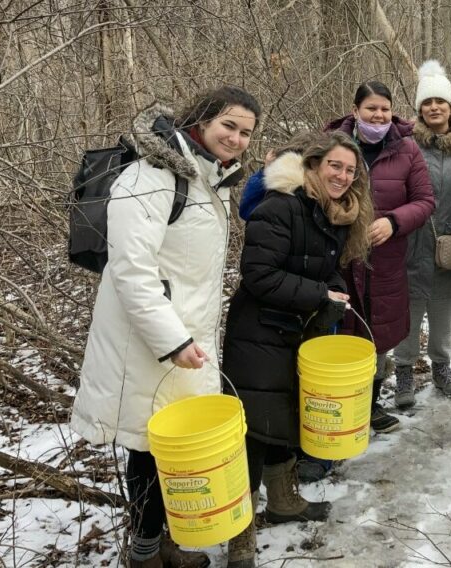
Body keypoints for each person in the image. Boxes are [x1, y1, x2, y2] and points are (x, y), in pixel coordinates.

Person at [69, 86, 261, 568]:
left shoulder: (207, 177)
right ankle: (146, 553)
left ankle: (162, 544)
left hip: (185, 337)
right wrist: (172, 341)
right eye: (228, 126)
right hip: (148, 342)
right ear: (200, 121)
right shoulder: (151, 176)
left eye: (245, 132)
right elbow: (130, 271)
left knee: (167, 446)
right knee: (148, 443)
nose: (236, 139)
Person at [221, 131, 373, 567]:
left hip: (299, 331)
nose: (342, 176)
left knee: (286, 419)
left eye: (350, 170)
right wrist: (318, 296)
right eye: (334, 166)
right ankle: (240, 540)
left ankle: (285, 502)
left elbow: (329, 270)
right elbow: (258, 275)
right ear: (312, 165)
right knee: (254, 432)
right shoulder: (282, 205)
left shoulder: (333, 213)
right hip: (260, 334)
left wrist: (335, 292)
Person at [325, 81, 435, 432]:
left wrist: (394, 221)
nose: (379, 115)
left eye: (385, 109)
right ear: (355, 110)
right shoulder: (333, 144)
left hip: (384, 262)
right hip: (338, 259)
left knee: (377, 337)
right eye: (371, 108)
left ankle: (369, 409)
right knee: (339, 337)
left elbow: (425, 201)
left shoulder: (407, 149)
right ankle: (338, 414)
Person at [392, 60, 451, 408]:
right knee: (409, 313)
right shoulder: (404, 145)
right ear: (419, 108)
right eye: (427, 103)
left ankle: (442, 367)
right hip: (410, 244)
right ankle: (403, 370)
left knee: (444, 314)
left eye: (440, 102)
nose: (434, 108)